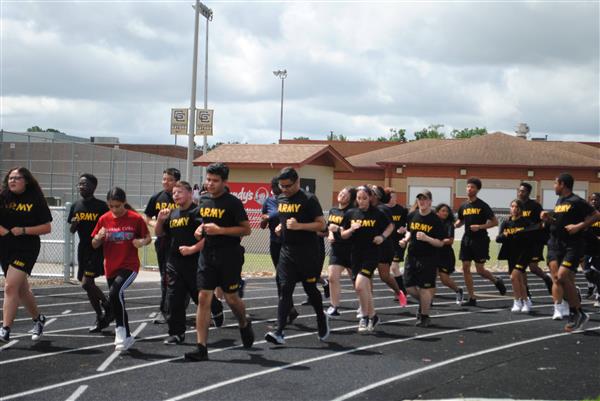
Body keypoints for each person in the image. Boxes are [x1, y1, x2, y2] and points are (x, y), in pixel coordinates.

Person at [184, 163, 254, 361]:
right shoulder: (204, 200)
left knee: (232, 298)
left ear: (224, 182)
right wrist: (199, 230)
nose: (210, 184)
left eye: (215, 181)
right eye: (208, 179)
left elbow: (246, 230)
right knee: (204, 297)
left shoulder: (233, 203)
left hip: (230, 256)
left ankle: (243, 323)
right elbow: (201, 225)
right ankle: (201, 347)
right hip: (207, 256)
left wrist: (221, 230)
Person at [264, 167, 329, 345]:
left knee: (310, 289)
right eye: (281, 186)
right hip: (286, 251)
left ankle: (321, 318)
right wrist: (281, 227)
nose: (284, 189)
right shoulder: (281, 198)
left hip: (307, 251)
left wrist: (299, 226)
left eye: (288, 186)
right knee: (285, 290)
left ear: (298, 182)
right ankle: (279, 332)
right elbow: (286, 219)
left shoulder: (309, 199)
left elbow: (321, 225)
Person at [91, 187, 152, 351]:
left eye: (118, 206)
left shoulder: (135, 218)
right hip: (111, 265)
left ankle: (120, 330)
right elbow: (94, 243)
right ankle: (128, 336)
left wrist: (141, 242)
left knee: (115, 292)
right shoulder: (104, 219)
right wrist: (98, 237)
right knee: (118, 299)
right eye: (111, 206)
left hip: (129, 265)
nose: (114, 209)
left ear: (124, 203)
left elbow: (147, 238)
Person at [541, 173, 600, 331]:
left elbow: (596, 215)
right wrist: (549, 219)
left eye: (555, 183)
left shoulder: (577, 201)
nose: (554, 186)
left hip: (573, 245)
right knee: (558, 278)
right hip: (556, 244)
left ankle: (575, 311)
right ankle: (577, 312)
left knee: (562, 277)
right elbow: (560, 222)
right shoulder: (560, 201)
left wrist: (579, 226)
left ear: (562, 184)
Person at [0, 167, 52, 343]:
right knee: (21, 290)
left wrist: (23, 230)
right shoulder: (3, 197)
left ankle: (5, 329)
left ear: (26, 181)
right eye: (10, 178)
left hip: (26, 248)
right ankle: (38, 319)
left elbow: (47, 227)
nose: (12, 181)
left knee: (9, 287)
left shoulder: (36, 199)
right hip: (5, 247)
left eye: (17, 178)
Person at [155, 181, 205, 345]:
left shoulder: (197, 212)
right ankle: (177, 333)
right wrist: (161, 221)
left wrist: (192, 249)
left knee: (199, 297)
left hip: (194, 261)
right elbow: (160, 233)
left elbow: (207, 238)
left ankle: (216, 308)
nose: (176, 195)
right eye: (174, 193)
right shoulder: (172, 214)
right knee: (173, 297)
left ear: (190, 193)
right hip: (174, 261)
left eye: (180, 192)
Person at [341, 185, 394, 332]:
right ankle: (373, 315)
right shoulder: (351, 213)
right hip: (355, 254)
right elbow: (343, 234)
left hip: (371, 254)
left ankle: (364, 317)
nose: (362, 201)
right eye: (359, 198)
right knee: (362, 288)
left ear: (370, 198)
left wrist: (382, 237)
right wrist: (352, 229)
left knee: (359, 285)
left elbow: (390, 226)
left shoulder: (377, 213)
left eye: (364, 198)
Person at [67, 173, 111, 332]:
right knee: (87, 285)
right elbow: (72, 230)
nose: (81, 187)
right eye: (79, 184)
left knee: (87, 283)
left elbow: (108, 227)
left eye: (84, 184)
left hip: (97, 248)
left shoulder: (101, 207)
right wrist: (74, 224)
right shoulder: (75, 206)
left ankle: (107, 305)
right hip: (83, 249)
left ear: (93, 187)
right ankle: (100, 316)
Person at [455, 177, 506, 306]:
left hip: (480, 240)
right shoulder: (463, 205)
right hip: (467, 240)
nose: (469, 189)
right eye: (467, 186)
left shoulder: (482, 205)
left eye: (472, 187)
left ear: (477, 189)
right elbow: (460, 220)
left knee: (480, 270)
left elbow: (494, 222)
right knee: (465, 267)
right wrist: (456, 224)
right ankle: (472, 298)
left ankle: (496, 280)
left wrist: (480, 227)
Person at [399, 190, 445, 327]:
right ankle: (425, 302)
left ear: (430, 202)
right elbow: (409, 231)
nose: (422, 202)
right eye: (420, 199)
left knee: (425, 288)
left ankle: (424, 316)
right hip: (412, 256)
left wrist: (427, 238)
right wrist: (405, 239)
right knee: (408, 286)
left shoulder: (436, 220)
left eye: (425, 199)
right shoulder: (412, 215)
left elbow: (441, 242)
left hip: (428, 258)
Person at [260, 177, 300, 324]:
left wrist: (271, 215)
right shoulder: (268, 201)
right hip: (275, 243)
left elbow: (282, 214)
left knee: (284, 278)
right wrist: (264, 220)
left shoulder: (289, 200)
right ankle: (289, 310)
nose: (278, 188)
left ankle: (285, 312)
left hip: (289, 243)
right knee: (280, 278)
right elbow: (263, 225)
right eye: (276, 185)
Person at [144, 168, 180, 324]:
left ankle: (179, 306)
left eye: (170, 179)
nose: (166, 182)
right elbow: (146, 217)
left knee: (182, 277)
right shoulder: (157, 198)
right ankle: (164, 311)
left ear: (177, 181)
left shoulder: (182, 197)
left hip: (181, 242)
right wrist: (157, 223)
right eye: (164, 179)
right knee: (165, 277)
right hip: (163, 243)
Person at [496, 199, 534, 313]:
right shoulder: (506, 223)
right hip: (511, 253)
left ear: (520, 209)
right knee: (515, 279)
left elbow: (532, 237)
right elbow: (498, 239)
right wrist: (505, 234)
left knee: (515, 277)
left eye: (516, 206)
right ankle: (520, 301)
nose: (513, 209)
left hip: (523, 253)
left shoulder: (526, 222)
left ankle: (522, 301)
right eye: (512, 206)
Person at [370, 186, 406, 306]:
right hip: (368, 248)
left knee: (384, 276)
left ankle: (399, 292)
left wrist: (382, 237)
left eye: (371, 193)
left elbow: (391, 226)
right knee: (366, 274)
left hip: (383, 247)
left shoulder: (383, 210)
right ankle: (367, 303)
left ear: (377, 196)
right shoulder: (364, 209)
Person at [516, 183, 554, 295]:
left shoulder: (535, 206)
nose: (520, 193)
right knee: (521, 268)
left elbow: (543, 220)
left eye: (523, 191)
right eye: (519, 190)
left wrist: (540, 226)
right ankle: (526, 292)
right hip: (521, 241)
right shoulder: (517, 206)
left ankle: (547, 278)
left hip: (535, 241)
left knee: (533, 267)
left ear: (528, 193)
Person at [325, 186, 356, 317]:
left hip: (351, 250)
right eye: (341, 192)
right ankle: (334, 307)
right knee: (332, 277)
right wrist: (330, 234)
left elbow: (351, 231)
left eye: (346, 194)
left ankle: (365, 307)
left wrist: (337, 229)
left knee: (357, 282)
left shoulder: (352, 212)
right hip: (337, 249)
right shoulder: (333, 210)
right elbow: (329, 227)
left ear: (350, 198)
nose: (342, 195)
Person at [435, 203, 464, 304]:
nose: (445, 213)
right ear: (437, 212)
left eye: (447, 211)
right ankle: (429, 298)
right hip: (433, 253)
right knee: (430, 275)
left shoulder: (449, 225)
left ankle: (458, 290)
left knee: (444, 279)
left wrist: (439, 242)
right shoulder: (433, 223)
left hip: (445, 255)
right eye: (443, 210)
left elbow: (451, 240)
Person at [385, 188, 409, 306]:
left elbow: (408, 225)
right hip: (387, 243)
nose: (392, 199)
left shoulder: (402, 210)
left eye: (394, 196)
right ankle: (399, 288)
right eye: (390, 196)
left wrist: (404, 229)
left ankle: (401, 290)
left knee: (394, 267)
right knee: (387, 269)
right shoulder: (382, 210)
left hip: (399, 242)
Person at [583, 192, 600, 307]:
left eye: (596, 200)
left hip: (599, 247)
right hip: (587, 246)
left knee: (596, 272)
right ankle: (594, 286)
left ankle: (599, 294)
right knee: (588, 273)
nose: (594, 202)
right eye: (592, 200)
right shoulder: (586, 214)